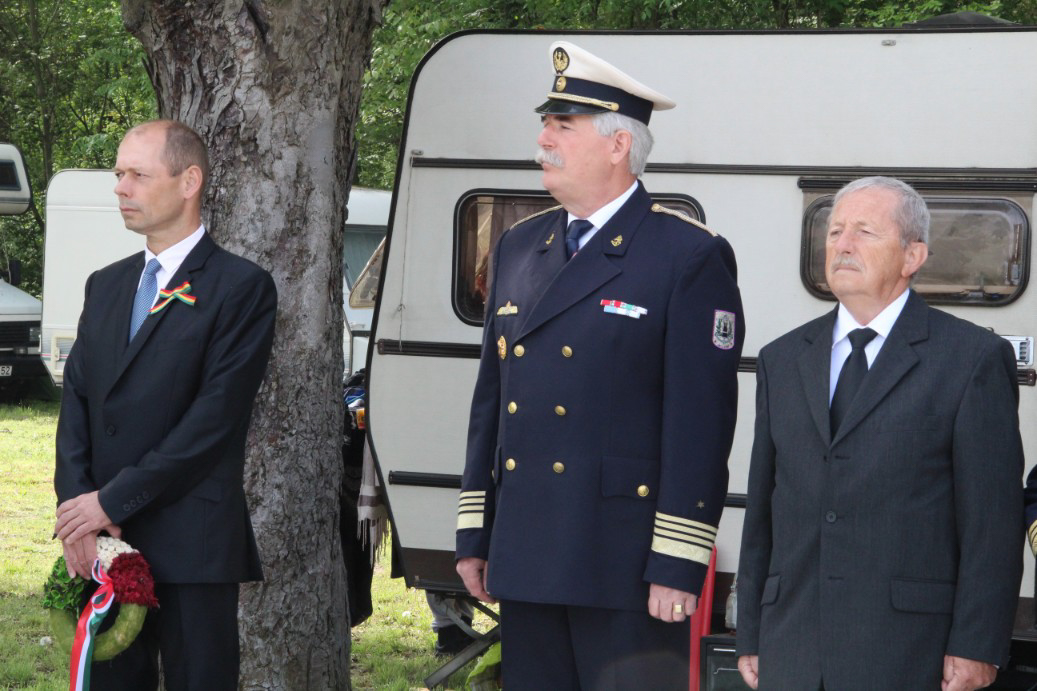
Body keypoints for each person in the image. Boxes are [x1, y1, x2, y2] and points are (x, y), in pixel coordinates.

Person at [455, 41, 744, 689]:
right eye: (545, 123)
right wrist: (476, 533)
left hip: (623, 563)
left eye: (563, 125)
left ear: (619, 145)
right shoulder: (518, 245)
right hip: (527, 551)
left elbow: (699, 424)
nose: (543, 138)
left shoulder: (686, 255)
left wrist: (678, 560)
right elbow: (490, 403)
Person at [736, 176, 1023, 691]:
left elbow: (992, 522)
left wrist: (977, 643)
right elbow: (763, 509)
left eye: (864, 231)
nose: (842, 245)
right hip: (793, 645)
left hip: (909, 650)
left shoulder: (970, 359)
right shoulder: (782, 358)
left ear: (913, 255)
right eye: (835, 231)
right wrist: (751, 632)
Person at [53, 119, 277, 690]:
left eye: (138, 174)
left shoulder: (240, 287)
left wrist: (109, 501)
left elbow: (213, 421)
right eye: (118, 174)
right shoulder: (106, 285)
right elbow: (77, 400)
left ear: (189, 181)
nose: (120, 188)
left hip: (191, 542)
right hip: (105, 543)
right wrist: (78, 511)